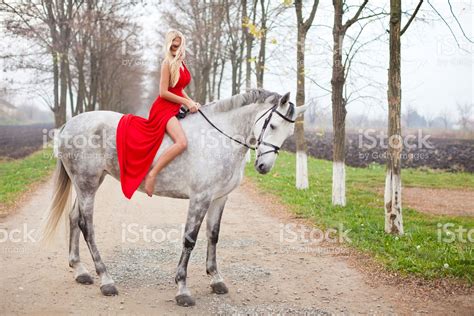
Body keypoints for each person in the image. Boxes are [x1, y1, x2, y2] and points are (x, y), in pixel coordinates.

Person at [116, 29, 200, 199]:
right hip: (163, 109)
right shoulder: (166, 63)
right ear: (169, 46)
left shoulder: (181, 63)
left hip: (176, 107)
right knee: (182, 142)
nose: (177, 49)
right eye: (174, 46)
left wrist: (192, 101)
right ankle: (152, 174)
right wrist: (186, 102)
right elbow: (163, 92)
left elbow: (179, 89)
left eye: (179, 45)